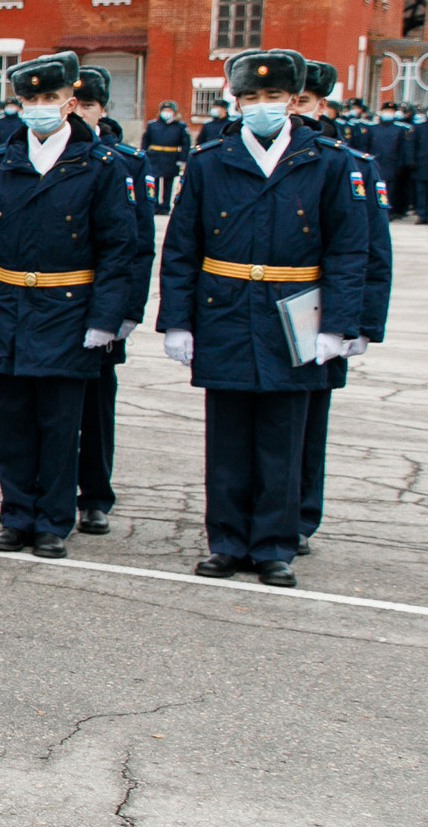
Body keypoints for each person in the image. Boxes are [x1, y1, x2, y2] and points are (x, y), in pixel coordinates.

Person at [159, 48, 367, 587]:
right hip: (225, 308)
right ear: (235, 102)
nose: (261, 107)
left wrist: (337, 326)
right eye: (250, 98)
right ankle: (226, 542)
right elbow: (182, 246)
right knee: (227, 438)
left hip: (293, 314)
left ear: (294, 101)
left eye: (272, 97)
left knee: (282, 437)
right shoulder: (211, 160)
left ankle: (274, 546)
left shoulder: (328, 160)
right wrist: (178, 320)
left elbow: (348, 250)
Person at [0, 52, 134, 559]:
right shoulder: (0, 163)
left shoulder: (100, 164)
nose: (39, 107)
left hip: (69, 306)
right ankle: (16, 513)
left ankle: (54, 519)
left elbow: (117, 247)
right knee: (14, 420)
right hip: (10, 303)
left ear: (70, 103)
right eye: (30, 99)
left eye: (50, 99)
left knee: (60, 422)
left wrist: (106, 318)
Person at [295, 61, 391, 554]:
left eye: (305, 103)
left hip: (323, 313)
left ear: (322, 106)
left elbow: (372, 252)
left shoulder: (353, 164)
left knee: (309, 421)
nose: (296, 113)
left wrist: (362, 324)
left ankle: (301, 516)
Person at [72, 69, 154, 536]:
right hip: (55, 302)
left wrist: (127, 311)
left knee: (97, 405)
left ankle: (95, 495)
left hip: (102, 302)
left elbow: (137, 245)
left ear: (102, 109)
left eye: (87, 105)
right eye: (73, 104)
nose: (78, 113)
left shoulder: (125, 162)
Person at [142, 100, 190, 210]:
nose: (166, 112)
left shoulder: (180, 126)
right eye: (164, 110)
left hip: (171, 157)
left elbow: (185, 144)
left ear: (174, 112)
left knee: (168, 183)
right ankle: (154, 205)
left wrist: (182, 159)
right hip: (155, 157)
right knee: (154, 182)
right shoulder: (152, 125)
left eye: (169, 110)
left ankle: (165, 206)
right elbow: (145, 141)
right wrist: (144, 155)